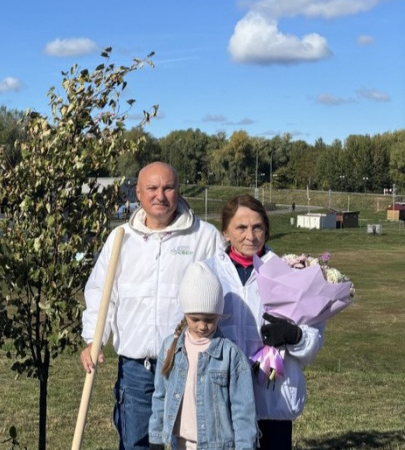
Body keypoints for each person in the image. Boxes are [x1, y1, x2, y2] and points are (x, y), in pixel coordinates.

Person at [80, 161, 225, 450]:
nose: (161, 195)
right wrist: (94, 339)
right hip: (137, 370)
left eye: (168, 188)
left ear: (179, 191)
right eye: (152, 188)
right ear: (138, 193)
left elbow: (226, 292)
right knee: (137, 445)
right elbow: (101, 292)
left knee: (192, 444)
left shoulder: (204, 237)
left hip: (189, 365)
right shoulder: (121, 238)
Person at [202, 194, 324, 449]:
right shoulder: (207, 272)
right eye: (241, 227)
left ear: (266, 230)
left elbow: (312, 342)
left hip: (272, 399)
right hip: (226, 398)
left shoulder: (289, 272)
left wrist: (295, 336)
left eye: (257, 227)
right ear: (225, 232)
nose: (251, 235)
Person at [149, 261, 257, 449]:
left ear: (219, 314)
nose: (202, 326)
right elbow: (160, 395)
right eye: (195, 319)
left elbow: (243, 412)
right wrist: (156, 437)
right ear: (185, 314)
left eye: (209, 319)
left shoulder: (231, 356)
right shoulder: (170, 348)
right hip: (179, 444)